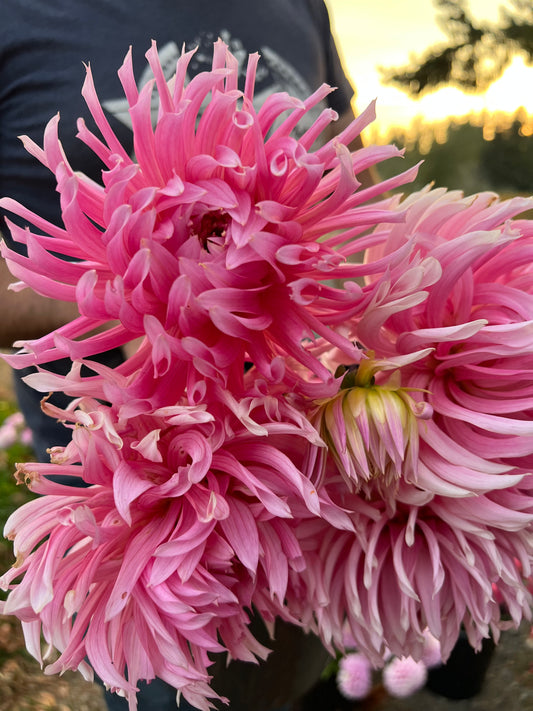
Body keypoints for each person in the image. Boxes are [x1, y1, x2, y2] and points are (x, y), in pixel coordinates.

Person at [0, 1, 362, 708]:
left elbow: (345, 183)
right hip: (145, 507)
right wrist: (143, 297)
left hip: (324, 469)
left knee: (296, 679)